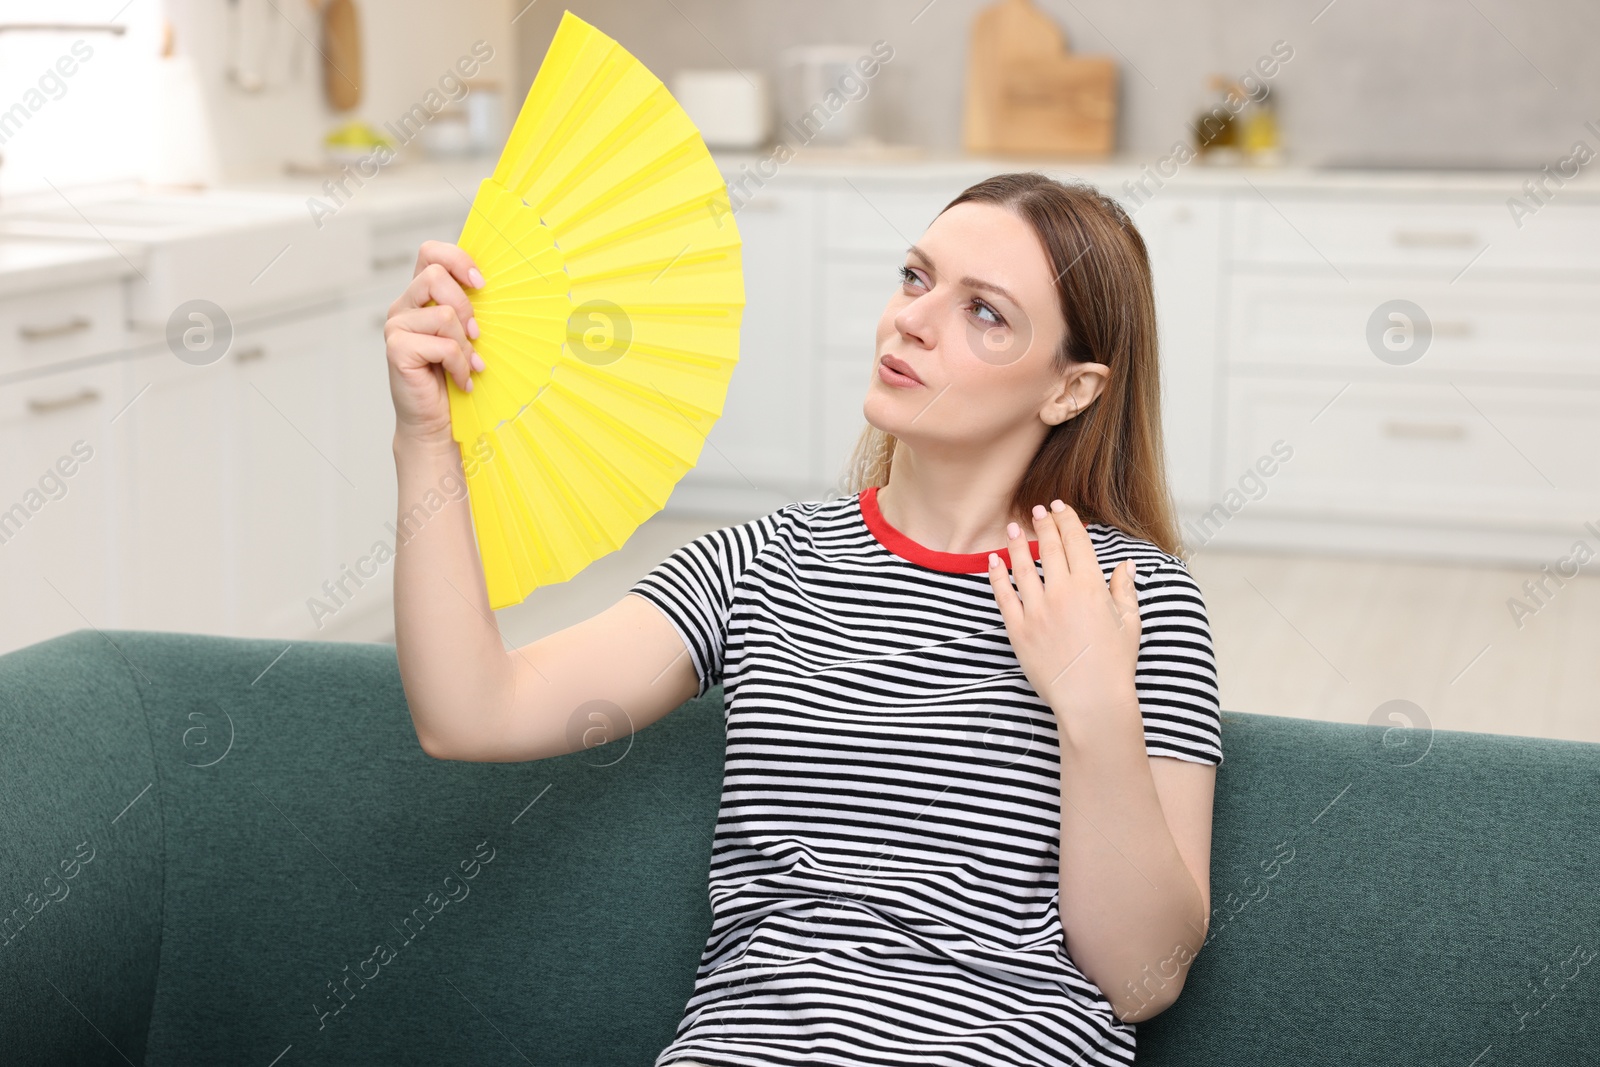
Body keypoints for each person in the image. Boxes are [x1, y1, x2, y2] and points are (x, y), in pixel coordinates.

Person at [385, 170, 1222, 1067]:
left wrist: (1092, 703)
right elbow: (471, 710)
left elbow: (1143, 977)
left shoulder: (1132, 599)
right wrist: (425, 436)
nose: (914, 319)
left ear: (1072, 391)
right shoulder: (763, 560)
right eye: (916, 277)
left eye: (985, 313)